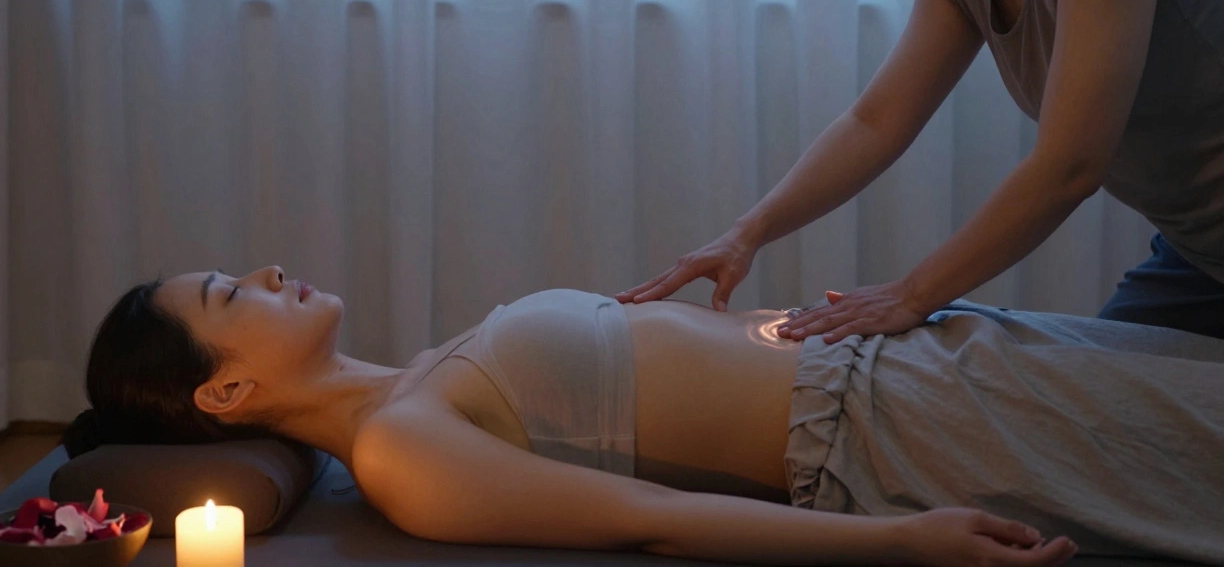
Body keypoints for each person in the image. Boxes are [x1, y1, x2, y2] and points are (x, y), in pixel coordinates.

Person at [64, 266, 1224, 565]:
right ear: (224, 393)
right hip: (905, 433)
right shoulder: (402, 452)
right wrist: (898, 540)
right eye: (233, 296)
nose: (268, 273)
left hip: (914, 352)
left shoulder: (418, 373)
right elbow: (644, 518)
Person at [619, 0, 1224, 342]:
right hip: (1195, 254)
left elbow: (1069, 166)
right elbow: (874, 122)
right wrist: (744, 234)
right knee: (1106, 417)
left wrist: (913, 295)